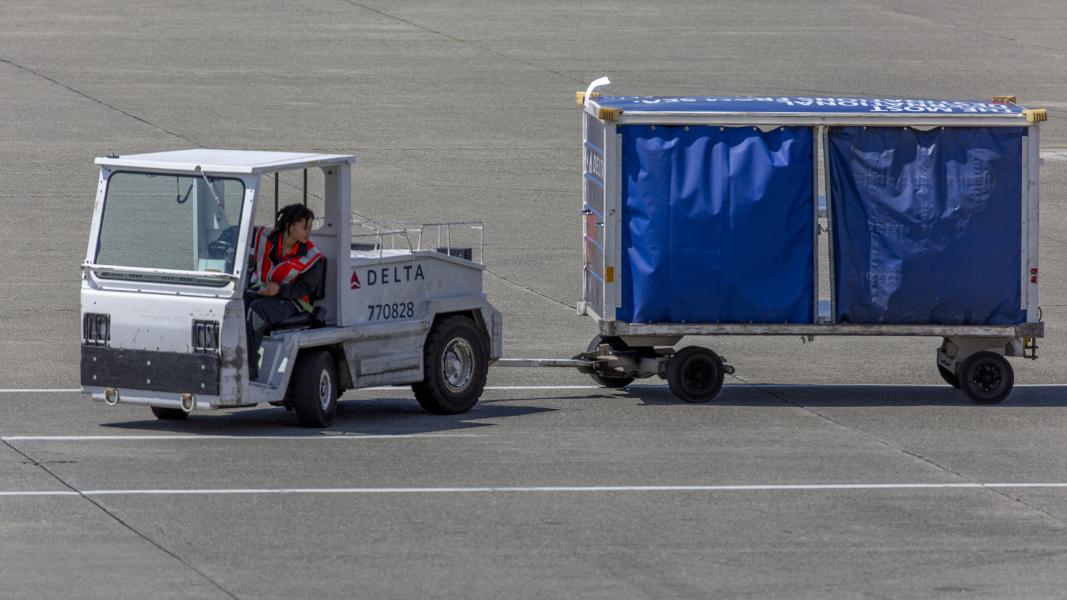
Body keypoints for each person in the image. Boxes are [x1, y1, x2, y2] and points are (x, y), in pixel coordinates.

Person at [245, 204, 326, 381]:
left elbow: (306, 289)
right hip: (261, 290)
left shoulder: (311, 256)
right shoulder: (263, 237)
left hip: (294, 302)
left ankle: (248, 366)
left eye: (310, 227)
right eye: (304, 227)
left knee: (258, 309)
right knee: (237, 303)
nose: (308, 232)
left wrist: (279, 289)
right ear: (290, 225)